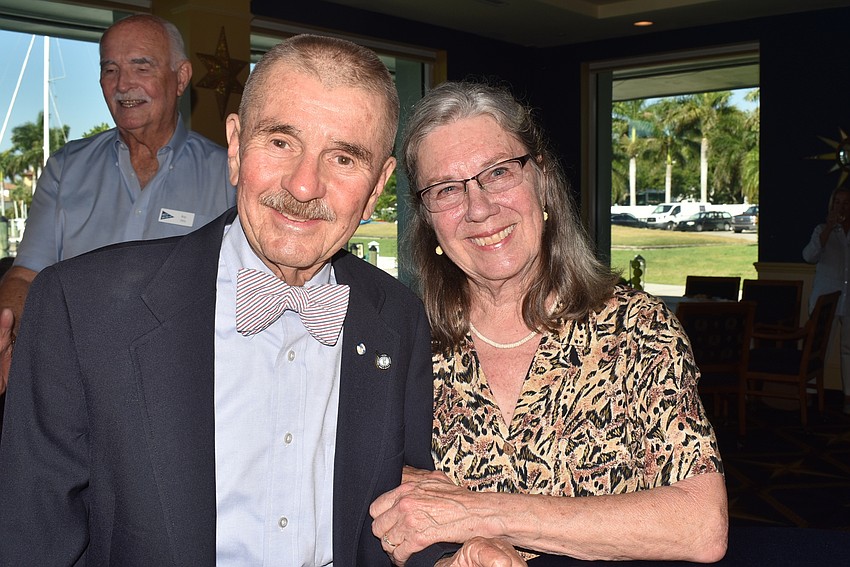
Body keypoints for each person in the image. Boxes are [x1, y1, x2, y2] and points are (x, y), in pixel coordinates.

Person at [0, 34, 449, 566]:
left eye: (344, 158)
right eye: (281, 142)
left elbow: (404, 514)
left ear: (377, 188)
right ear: (235, 147)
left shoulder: (398, 320)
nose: (305, 186)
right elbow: (34, 540)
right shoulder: (82, 308)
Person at [370, 81, 729, 564]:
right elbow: (383, 517)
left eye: (497, 173)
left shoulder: (637, 328)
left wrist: (481, 513)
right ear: (427, 219)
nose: (478, 208)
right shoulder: (401, 345)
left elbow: (701, 525)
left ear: (541, 180)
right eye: (447, 190)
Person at [0, 14, 236, 395]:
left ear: (181, 77)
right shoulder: (65, 169)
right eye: (110, 69)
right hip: (73, 385)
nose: (123, 84)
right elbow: (27, 276)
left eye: (141, 66)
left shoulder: (229, 177)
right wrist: (6, 332)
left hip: (181, 390)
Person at [803, 184, 850, 414]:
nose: (842, 207)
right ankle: (810, 395)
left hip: (848, 300)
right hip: (825, 301)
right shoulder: (821, 230)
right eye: (837, 202)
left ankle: (848, 398)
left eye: (846, 203)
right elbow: (809, 257)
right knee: (817, 348)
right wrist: (828, 230)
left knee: (848, 348)